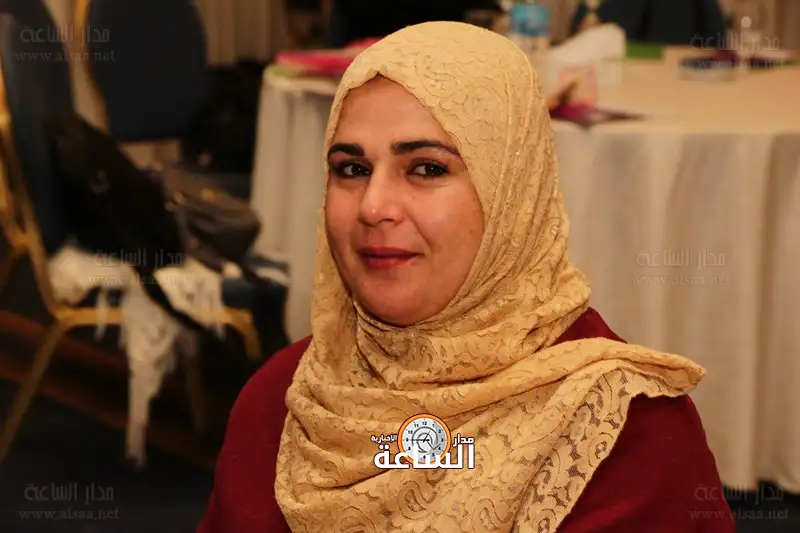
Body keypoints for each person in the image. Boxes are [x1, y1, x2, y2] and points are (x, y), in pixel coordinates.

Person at [197, 22, 735, 532]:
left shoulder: (625, 436)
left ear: (512, 196)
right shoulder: (286, 400)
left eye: (427, 168)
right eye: (352, 169)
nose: (373, 206)